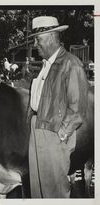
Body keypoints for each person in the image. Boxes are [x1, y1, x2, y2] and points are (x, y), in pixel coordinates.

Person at [27, 16, 89, 198]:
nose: (35, 44)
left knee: (54, 191)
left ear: (52, 36)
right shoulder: (47, 64)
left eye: (38, 39)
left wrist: (61, 134)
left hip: (54, 134)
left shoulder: (70, 64)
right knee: (37, 190)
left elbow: (77, 107)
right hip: (37, 128)